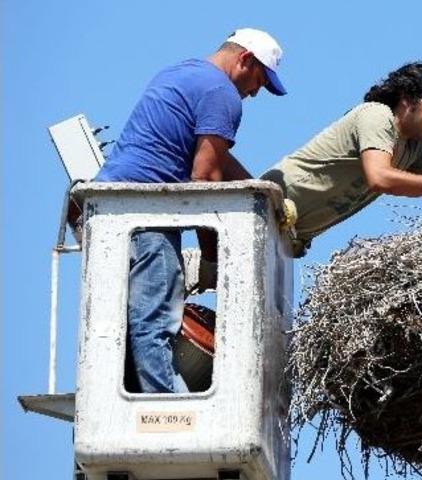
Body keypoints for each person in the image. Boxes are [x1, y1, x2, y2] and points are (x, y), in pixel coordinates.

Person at [94, 28, 287, 393]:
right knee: (156, 319)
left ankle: (138, 397)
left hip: (112, 209)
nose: (255, 92)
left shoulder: (182, 73)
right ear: (245, 59)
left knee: (122, 323)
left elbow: (216, 159)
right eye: (259, 81)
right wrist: (213, 255)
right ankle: (160, 409)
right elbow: (205, 179)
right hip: (148, 215)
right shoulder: (222, 93)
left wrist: (264, 193)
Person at [261, 62, 422, 257]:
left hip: (286, 235)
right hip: (264, 209)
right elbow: (380, 177)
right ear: (407, 98)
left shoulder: (416, 148)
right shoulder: (376, 115)